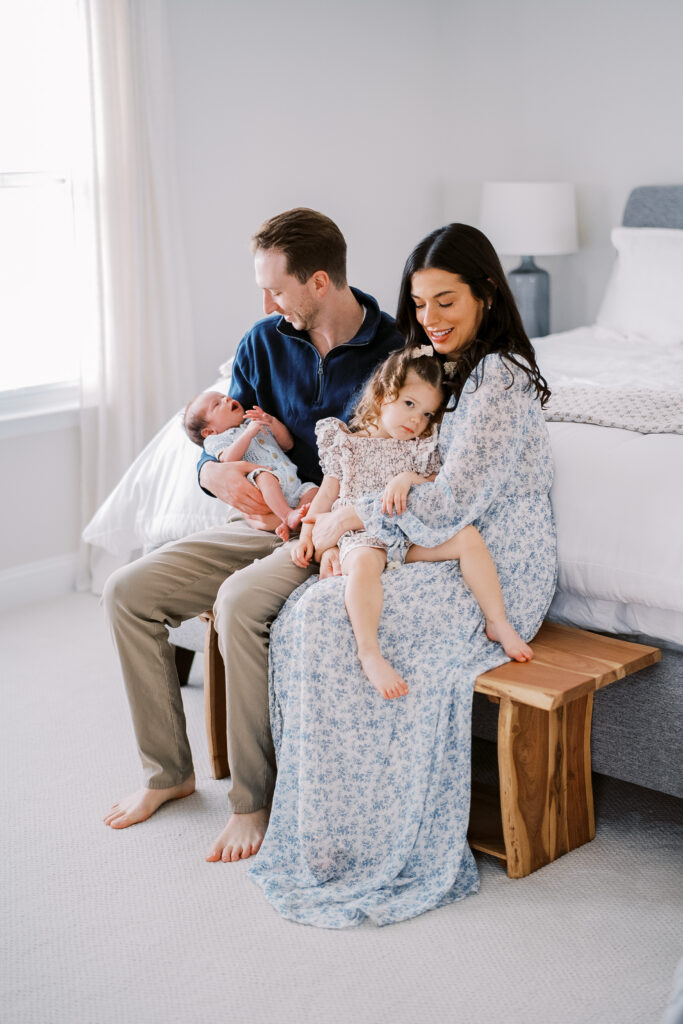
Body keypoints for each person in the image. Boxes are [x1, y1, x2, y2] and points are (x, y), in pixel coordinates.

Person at [248, 223, 557, 927]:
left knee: (333, 616)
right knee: (318, 610)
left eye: (446, 301)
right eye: (419, 304)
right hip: (436, 538)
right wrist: (357, 523)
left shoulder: (500, 379)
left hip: (494, 560)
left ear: (485, 294)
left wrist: (351, 520)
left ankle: (374, 837)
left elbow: (452, 501)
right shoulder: (447, 369)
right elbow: (409, 474)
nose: (431, 318)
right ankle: (330, 832)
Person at [102, 208, 403, 862]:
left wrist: (324, 519)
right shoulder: (262, 343)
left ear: (318, 281)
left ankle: (252, 801)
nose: (267, 305)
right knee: (127, 591)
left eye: (276, 289)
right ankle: (168, 773)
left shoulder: (395, 351)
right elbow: (219, 440)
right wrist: (211, 475)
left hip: (335, 532)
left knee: (238, 602)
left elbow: (395, 459)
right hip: (264, 521)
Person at [292, 346, 533, 700]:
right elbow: (325, 497)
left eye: (426, 413)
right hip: (361, 536)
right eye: (409, 404)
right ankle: (369, 652)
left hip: (406, 536)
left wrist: (407, 478)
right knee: (364, 564)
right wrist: (308, 537)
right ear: (383, 394)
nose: (416, 420)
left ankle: (497, 620)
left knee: (467, 538)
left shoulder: (419, 447)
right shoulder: (345, 444)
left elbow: (438, 482)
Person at [184, 391, 318, 540]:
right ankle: (287, 515)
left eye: (223, 396)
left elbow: (288, 444)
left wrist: (272, 422)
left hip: (294, 485)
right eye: (217, 404)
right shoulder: (217, 440)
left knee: (313, 490)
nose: (227, 399)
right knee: (265, 477)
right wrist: (248, 434)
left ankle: (290, 523)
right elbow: (227, 460)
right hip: (262, 484)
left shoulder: (254, 422)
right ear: (209, 431)